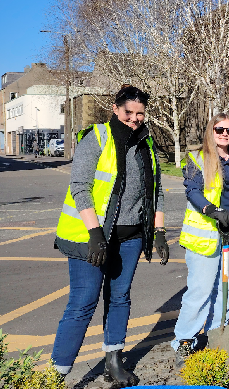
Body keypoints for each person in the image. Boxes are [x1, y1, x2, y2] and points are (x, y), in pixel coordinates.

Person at [52, 85, 169, 387]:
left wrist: (159, 232)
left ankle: (113, 362)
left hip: (129, 239)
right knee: (83, 301)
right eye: (129, 112)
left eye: (140, 113)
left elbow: (156, 191)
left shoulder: (146, 142)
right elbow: (80, 187)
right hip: (91, 238)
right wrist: (94, 233)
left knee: (119, 298)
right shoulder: (97, 137)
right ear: (116, 109)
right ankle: (56, 374)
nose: (134, 118)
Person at [171, 113, 229, 362]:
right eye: (220, 129)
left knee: (227, 289)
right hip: (207, 233)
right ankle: (184, 341)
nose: (224, 134)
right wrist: (213, 211)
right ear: (211, 130)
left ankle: (214, 334)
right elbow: (192, 192)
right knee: (200, 291)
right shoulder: (198, 158)